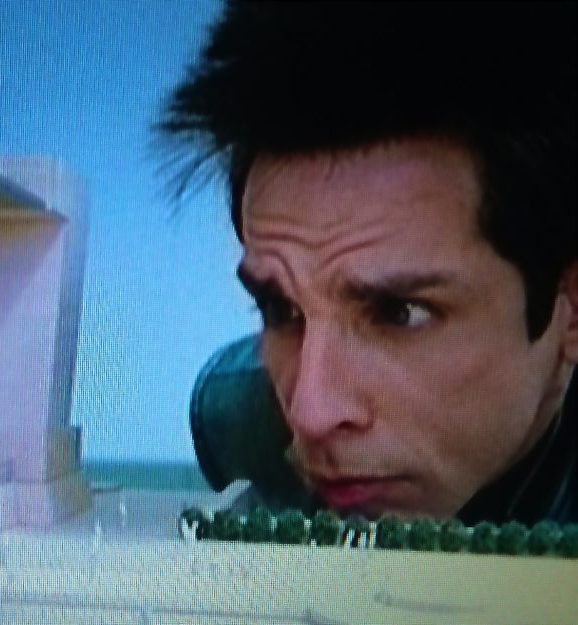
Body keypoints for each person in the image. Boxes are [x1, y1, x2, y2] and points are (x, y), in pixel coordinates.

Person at [159, 1, 577, 524]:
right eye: (279, 310)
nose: (309, 416)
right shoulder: (235, 421)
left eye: (398, 313)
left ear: (570, 311)